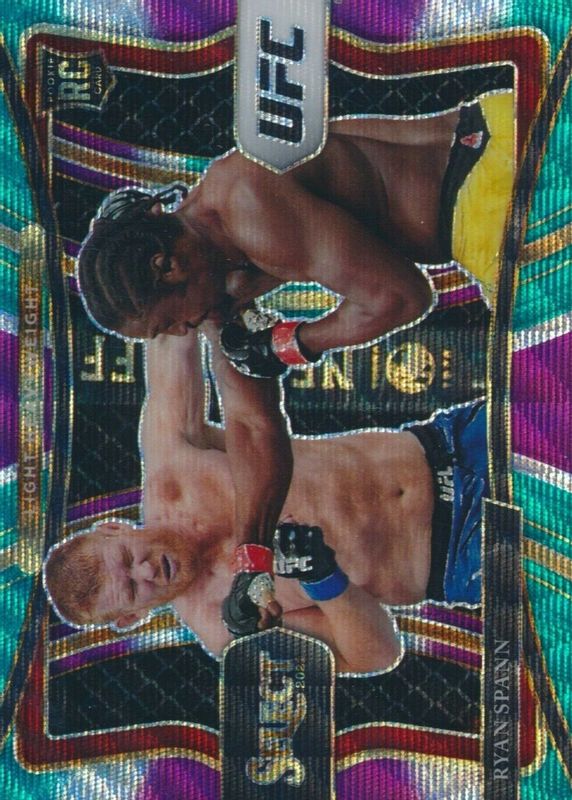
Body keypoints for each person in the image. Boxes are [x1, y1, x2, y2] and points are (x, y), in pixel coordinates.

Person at [44, 328, 488, 673]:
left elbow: (171, 324)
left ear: (114, 527)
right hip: (462, 556)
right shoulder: (223, 626)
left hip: (452, 445)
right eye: (132, 588)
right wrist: (322, 577)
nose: (145, 570)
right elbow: (376, 655)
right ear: (132, 617)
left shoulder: (171, 464)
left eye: (126, 558)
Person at [77, 93, 513, 376]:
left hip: (492, 195)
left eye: (167, 323)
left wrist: (288, 345)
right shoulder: (223, 215)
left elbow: (399, 297)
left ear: (169, 266)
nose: (182, 332)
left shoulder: (251, 212)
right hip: (488, 147)